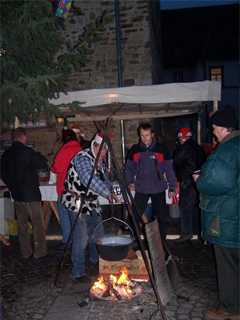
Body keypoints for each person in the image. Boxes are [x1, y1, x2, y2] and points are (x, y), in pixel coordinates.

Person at [193, 105, 239, 319]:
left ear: (222, 128)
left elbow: (216, 182)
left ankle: (229, 307)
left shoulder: (226, 151)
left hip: (227, 218)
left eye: (214, 128)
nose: (212, 131)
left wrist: (199, 180)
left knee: (228, 265)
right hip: (235, 213)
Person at [61, 133, 119, 283]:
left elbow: (104, 181)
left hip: (92, 202)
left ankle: (96, 260)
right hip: (77, 201)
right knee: (80, 239)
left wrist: (110, 192)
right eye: (102, 149)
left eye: (106, 150)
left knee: (98, 233)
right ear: (94, 145)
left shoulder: (101, 162)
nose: (104, 153)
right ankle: (78, 272)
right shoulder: (82, 158)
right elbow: (89, 179)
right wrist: (107, 193)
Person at [1, 127, 48, 259]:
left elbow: (3, 173)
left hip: (16, 194)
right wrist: (36, 152)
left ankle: (26, 251)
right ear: (23, 137)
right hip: (30, 194)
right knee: (37, 223)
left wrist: (11, 185)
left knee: (21, 224)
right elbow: (42, 162)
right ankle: (40, 251)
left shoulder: (6, 154)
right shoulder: (27, 151)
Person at [125, 123, 177, 239]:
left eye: (147, 135)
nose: (144, 138)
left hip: (158, 189)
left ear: (152, 134)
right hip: (141, 188)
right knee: (134, 217)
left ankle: (161, 244)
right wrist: (130, 181)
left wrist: (172, 187)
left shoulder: (162, 150)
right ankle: (135, 241)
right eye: (142, 135)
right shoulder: (135, 150)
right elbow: (128, 168)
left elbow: (169, 169)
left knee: (161, 219)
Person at [172, 127, 206, 242]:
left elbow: (175, 162)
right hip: (199, 181)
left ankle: (186, 233)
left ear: (182, 137)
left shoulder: (184, 148)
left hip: (187, 181)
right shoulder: (199, 148)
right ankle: (197, 230)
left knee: (185, 207)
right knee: (196, 207)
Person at [50, 129, 82, 247]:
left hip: (64, 188)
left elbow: (56, 168)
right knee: (77, 216)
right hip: (78, 190)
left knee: (64, 214)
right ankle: (79, 240)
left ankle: (67, 240)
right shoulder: (80, 150)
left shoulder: (63, 150)